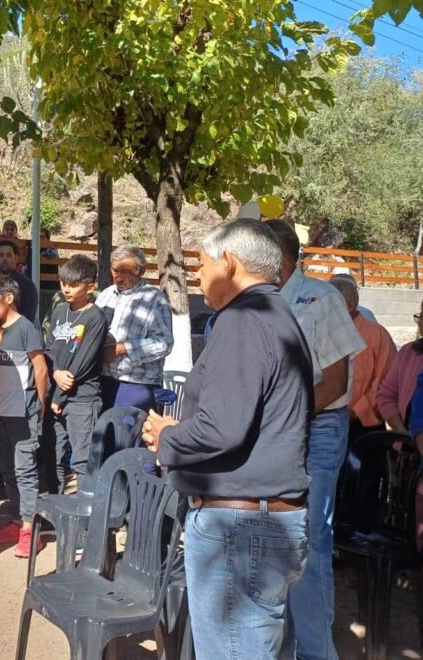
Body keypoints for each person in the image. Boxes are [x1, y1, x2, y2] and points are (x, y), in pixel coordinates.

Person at [141, 219, 313, 659]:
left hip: (240, 530)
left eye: (201, 265)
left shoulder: (244, 319)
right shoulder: (276, 315)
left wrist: (169, 435)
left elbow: (221, 427)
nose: (197, 278)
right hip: (259, 525)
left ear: (229, 263)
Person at [265, 219, 365, 660]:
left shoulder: (320, 298)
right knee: (277, 538)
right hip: (275, 432)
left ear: (280, 258)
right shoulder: (258, 301)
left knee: (309, 541)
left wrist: (288, 415)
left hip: (319, 429)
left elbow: (337, 380)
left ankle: (316, 653)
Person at [0, 275, 48, 558]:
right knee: (8, 469)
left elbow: (41, 369)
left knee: (25, 471)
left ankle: (30, 530)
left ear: (9, 298)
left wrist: (40, 405)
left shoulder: (27, 329)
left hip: (23, 413)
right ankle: (15, 519)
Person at [44, 255, 108, 494]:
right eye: (63, 283)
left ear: (89, 286)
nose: (66, 289)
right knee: (53, 455)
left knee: (82, 462)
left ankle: (83, 518)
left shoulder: (95, 317)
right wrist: (55, 374)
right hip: (56, 395)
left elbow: (84, 361)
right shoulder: (60, 311)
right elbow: (49, 349)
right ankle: (56, 511)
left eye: (73, 285)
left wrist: (59, 395)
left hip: (82, 398)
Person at [95, 246, 173, 412]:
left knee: (127, 436)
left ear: (141, 270)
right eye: (115, 271)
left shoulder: (154, 298)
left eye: (125, 271)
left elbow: (164, 343)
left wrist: (122, 349)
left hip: (135, 384)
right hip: (101, 381)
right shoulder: (106, 295)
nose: (119, 277)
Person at [329, 275, 395, 442]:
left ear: (350, 305)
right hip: (324, 423)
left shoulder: (377, 335)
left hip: (363, 427)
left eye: (330, 304)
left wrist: (357, 412)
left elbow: (386, 384)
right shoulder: (320, 330)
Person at [377, 299, 423, 436]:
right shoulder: (408, 353)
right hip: (407, 447)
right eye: (420, 316)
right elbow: (385, 396)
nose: (420, 322)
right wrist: (401, 432)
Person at [0, 240, 38, 322]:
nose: (4, 258)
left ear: (16, 258)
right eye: (1, 255)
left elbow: (27, 319)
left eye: (9, 255)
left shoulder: (27, 286)